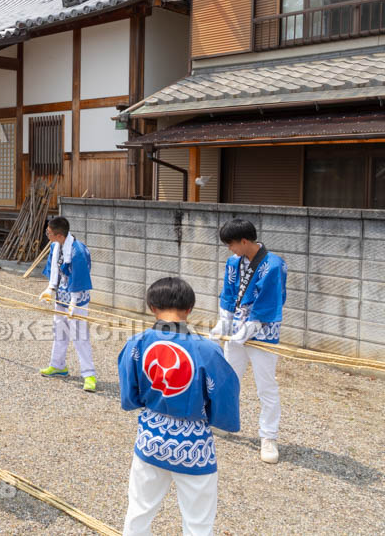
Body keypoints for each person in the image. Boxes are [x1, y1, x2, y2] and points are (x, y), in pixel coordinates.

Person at [118, 277, 240, 535]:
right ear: (189, 309)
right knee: (198, 522)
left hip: (151, 435)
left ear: (151, 307)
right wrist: (218, 420)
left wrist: (142, 404)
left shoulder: (137, 343)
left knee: (139, 510)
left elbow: (129, 389)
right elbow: (225, 392)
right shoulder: (207, 349)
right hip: (193, 442)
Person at [211, 218, 286, 464]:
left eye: (231, 244)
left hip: (263, 332)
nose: (230, 249)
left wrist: (251, 328)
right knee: (228, 377)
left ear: (244, 241)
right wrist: (224, 320)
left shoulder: (273, 265)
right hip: (235, 330)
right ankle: (223, 421)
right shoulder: (233, 262)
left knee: (266, 385)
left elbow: (270, 301)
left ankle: (269, 437)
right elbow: (229, 293)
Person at [38, 216, 97, 392]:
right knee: (59, 331)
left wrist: (73, 303)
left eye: (48, 232)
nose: (46, 233)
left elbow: (79, 278)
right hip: (62, 296)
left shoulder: (78, 251)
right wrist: (50, 289)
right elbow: (53, 270)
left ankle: (89, 375)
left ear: (58, 234)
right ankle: (58, 366)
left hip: (76, 299)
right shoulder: (55, 246)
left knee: (79, 336)